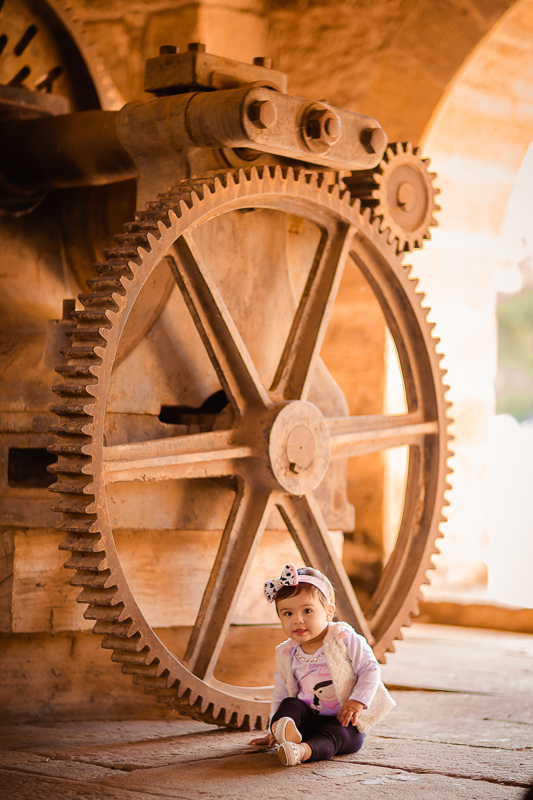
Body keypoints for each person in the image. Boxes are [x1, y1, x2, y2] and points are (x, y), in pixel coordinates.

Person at [250, 564, 393, 767]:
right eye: (287, 614)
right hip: (307, 721)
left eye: (307, 610)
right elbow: (281, 692)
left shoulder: (343, 638)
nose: (297, 620)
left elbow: (369, 669)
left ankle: (301, 751)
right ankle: (283, 731)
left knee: (338, 736)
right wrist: (272, 727)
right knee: (290, 705)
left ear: (328, 612)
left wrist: (356, 702)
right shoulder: (286, 652)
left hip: (343, 721)